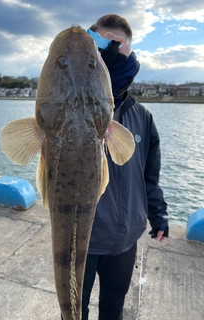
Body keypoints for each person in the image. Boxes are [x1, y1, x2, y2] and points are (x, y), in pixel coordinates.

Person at [82, 14, 169, 320]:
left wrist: (159, 216)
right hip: (83, 238)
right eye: (101, 44)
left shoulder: (142, 116)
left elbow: (149, 177)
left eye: (118, 46)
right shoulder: (71, 109)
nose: (109, 52)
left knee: (113, 310)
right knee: (73, 309)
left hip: (125, 239)